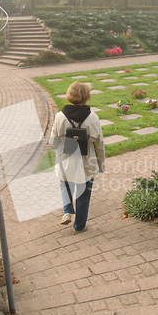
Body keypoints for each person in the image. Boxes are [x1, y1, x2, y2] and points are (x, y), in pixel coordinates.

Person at [49, 82, 105, 233]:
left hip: (66, 160)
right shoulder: (93, 117)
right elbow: (99, 144)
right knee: (83, 194)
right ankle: (80, 226)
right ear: (86, 97)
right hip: (87, 162)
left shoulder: (60, 116)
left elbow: (53, 142)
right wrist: (101, 164)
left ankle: (67, 210)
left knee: (65, 185)